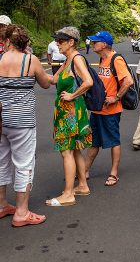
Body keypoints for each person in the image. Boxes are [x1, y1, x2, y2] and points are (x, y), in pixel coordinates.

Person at [0, 25, 51, 226]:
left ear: (7, 41)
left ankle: (2, 204)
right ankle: (21, 212)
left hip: (1, 118)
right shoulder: (30, 60)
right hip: (22, 121)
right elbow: (45, 83)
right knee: (24, 164)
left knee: (2, 161)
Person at [46, 27, 93, 207]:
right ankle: (82, 185)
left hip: (71, 112)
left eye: (60, 40)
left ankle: (68, 194)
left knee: (66, 151)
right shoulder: (68, 60)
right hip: (69, 111)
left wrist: (73, 95)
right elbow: (53, 80)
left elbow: (89, 81)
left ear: (71, 42)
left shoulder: (77, 59)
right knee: (75, 149)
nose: (57, 44)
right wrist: (29, 64)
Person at [85, 31, 133, 186]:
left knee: (113, 141)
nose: (92, 44)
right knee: (94, 141)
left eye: (95, 42)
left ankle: (113, 173)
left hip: (111, 110)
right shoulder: (102, 59)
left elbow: (128, 81)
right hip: (98, 109)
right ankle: (84, 171)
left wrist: (116, 98)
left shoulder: (116, 59)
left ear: (104, 44)